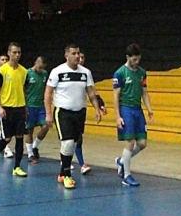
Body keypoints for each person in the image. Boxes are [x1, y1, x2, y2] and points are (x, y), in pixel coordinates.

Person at [44, 43, 103, 189]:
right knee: (68, 143)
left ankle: (61, 173)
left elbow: (91, 92)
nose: (77, 56)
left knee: (73, 144)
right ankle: (67, 175)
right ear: (67, 56)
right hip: (63, 112)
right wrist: (48, 113)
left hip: (80, 112)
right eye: (74, 53)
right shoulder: (57, 71)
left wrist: (96, 109)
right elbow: (48, 93)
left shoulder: (86, 72)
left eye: (78, 53)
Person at [113, 43, 154, 187]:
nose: (137, 62)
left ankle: (122, 160)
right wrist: (118, 116)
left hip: (137, 109)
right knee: (130, 142)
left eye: (138, 59)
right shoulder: (120, 73)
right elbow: (116, 96)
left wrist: (149, 109)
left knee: (142, 143)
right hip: (126, 109)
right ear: (127, 57)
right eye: (134, 60)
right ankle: (127, 176)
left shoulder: (142, 72)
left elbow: (144, 91)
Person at [0, 43, 28, 176]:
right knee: (7, 138)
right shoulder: (2, 71)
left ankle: (17, 167)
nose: (17, 55)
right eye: (14, 52)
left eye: (19, 53)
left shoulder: (24, 71)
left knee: (20, 137)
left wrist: (25, 106)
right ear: (9, 53)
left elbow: (23, 89)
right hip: (7, 108)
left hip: (20, 108)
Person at [24, 56, 50, 164]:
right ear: (35, 62)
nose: (40, 70)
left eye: (42, 68)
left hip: (40, 105)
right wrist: (24, 105)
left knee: (46, 126)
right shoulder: (27, 73)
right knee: (29, 130)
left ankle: (35, 146)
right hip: (29, 105)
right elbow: (22, 89)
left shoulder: (44, 74)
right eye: (39, 67)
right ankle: (30, 154)